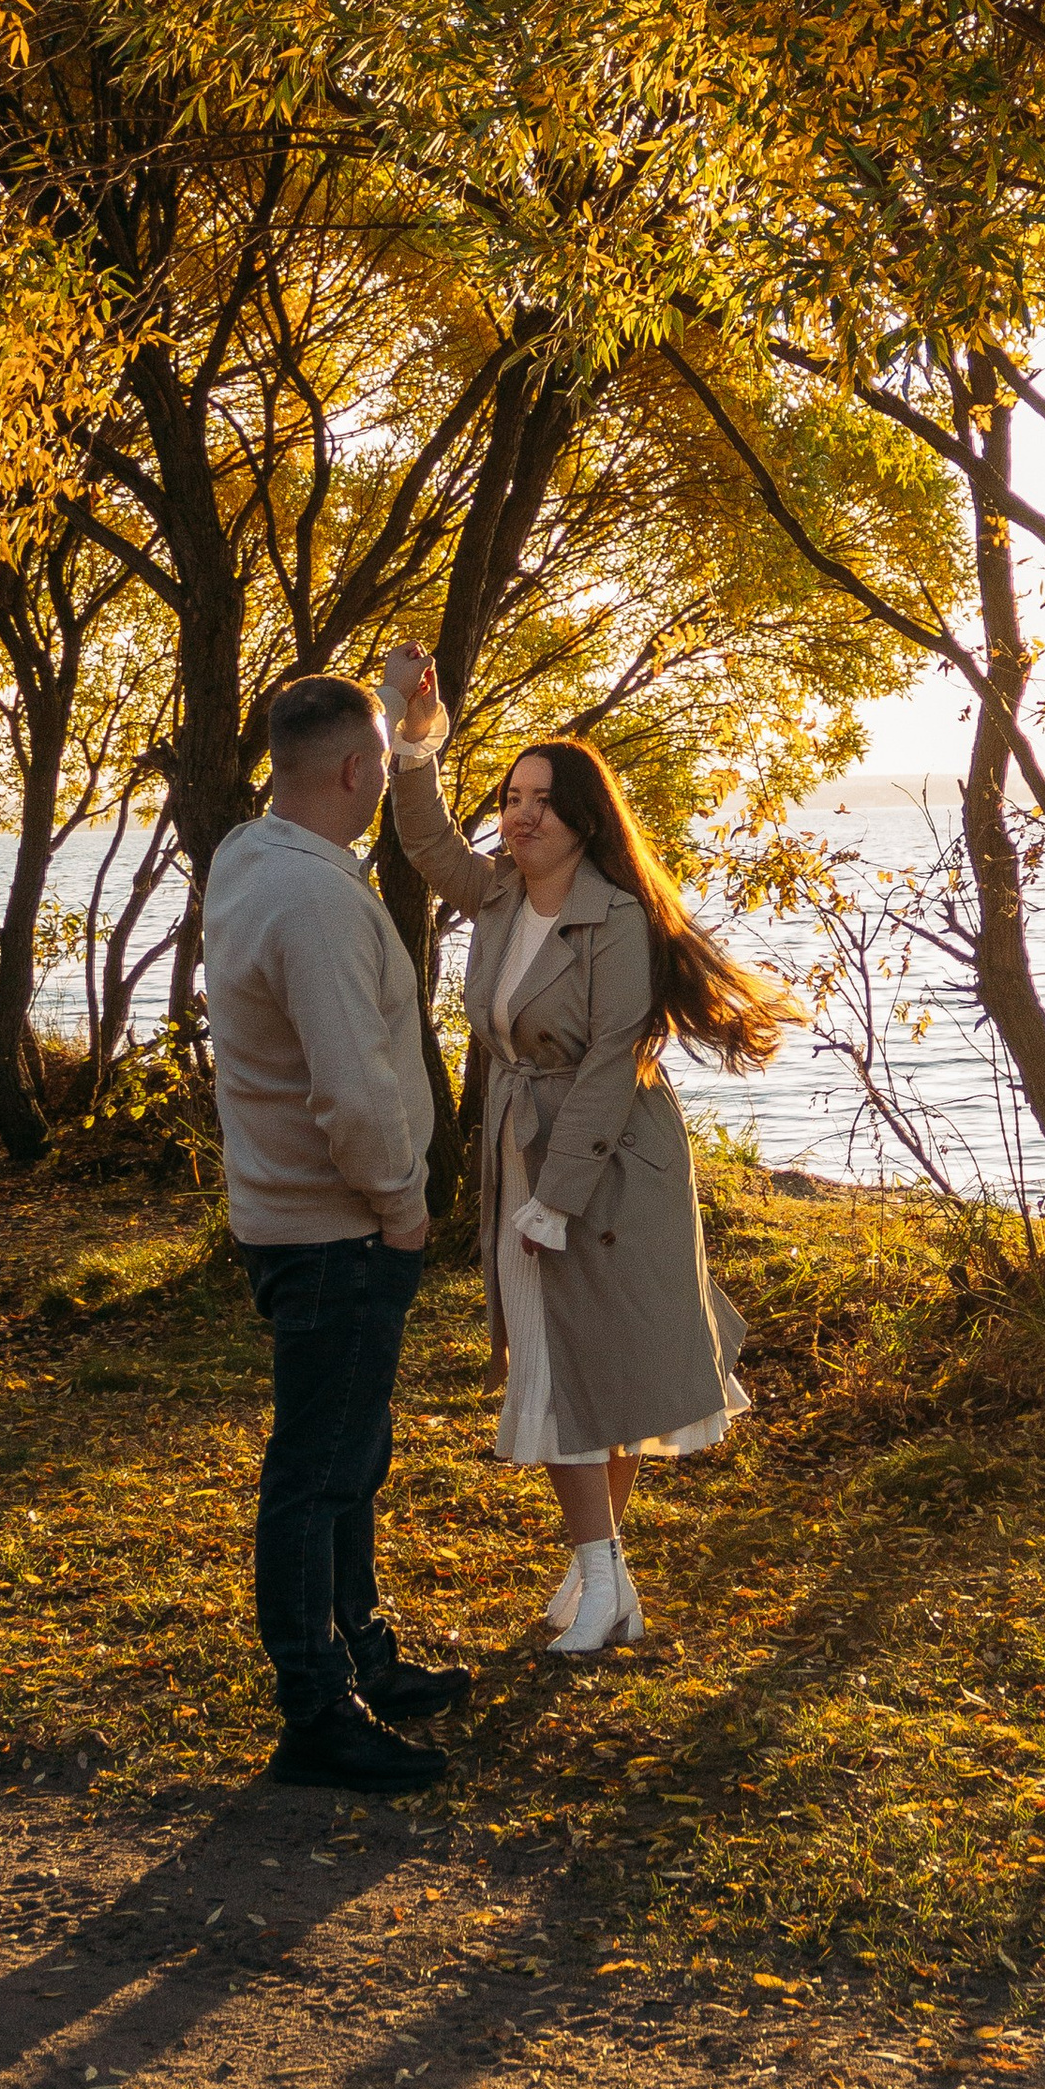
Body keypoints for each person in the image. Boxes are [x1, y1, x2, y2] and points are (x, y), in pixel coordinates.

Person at [379, 645, 795, 1653]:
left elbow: (614, 1060)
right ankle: (599, 1574)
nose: (521, 816)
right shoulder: (496, 895)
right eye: (513, 797)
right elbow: (426, 838)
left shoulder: (618, 919)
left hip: (610, 1164)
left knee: (590, 1369)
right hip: (528, 1149)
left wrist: (553, 1201)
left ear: (583, 818)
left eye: (542, 802)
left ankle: (602, 1576)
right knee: (560, 1363)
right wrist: (413, 734)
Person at [201, 670, 471, 1791]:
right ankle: (316, 1714)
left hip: (295, 1223)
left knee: (351, 1460)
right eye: (381, 761)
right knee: (316, 1475)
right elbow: (353, 1094)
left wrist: (409, 725)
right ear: (359, 773)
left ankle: (366, 1659)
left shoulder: (251, 852)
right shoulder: (312, 899)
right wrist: (403, 1210)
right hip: (334, 1233)